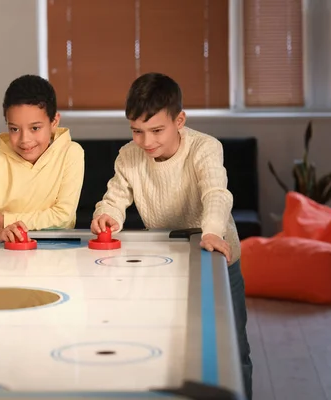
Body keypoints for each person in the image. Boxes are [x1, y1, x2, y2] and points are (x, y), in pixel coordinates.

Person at [91, 72, 253, 399]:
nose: (146, 142)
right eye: (136, 131)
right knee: (170, 346)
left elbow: (216, 194)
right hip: (165, 263)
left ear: (179, 120)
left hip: (216, 256)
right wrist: (105, 215)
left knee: (232, 349)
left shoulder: (205, 148)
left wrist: (210, 232)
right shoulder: (129, 156)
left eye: (156, 130)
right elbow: (114, 198)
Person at [0, 74, 85, 243]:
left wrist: (3, 220)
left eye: (35, 128)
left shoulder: (71, 153)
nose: (25, 140)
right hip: (2, 252)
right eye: (15, 129)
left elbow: (63, 217)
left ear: (54, 122)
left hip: (55, 252)